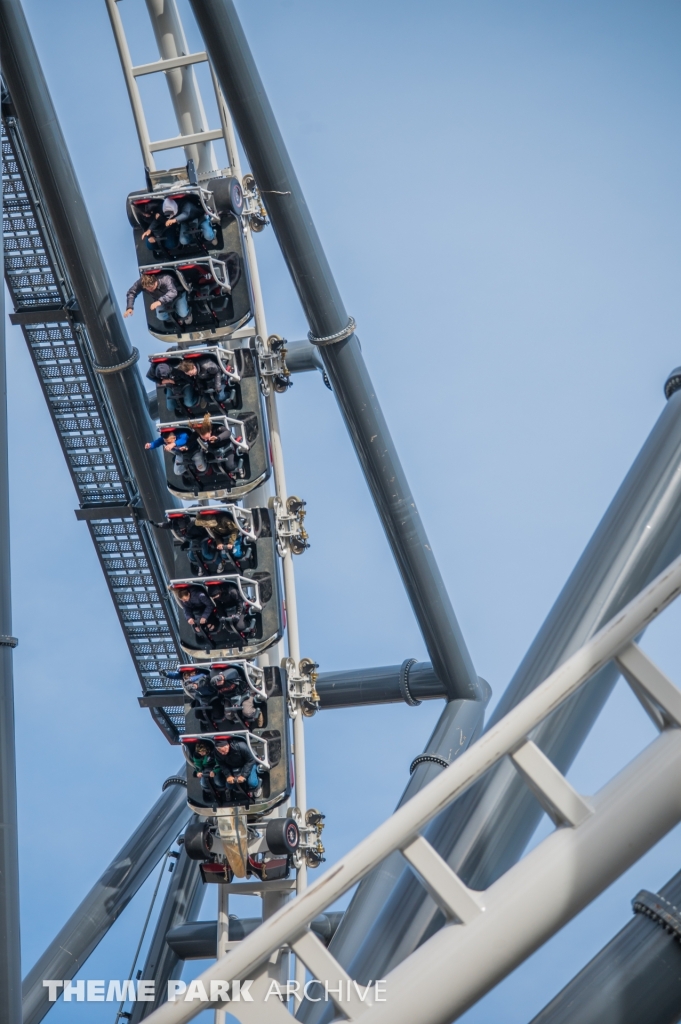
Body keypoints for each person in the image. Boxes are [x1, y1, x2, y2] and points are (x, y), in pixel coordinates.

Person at [124, 272, 192, 326]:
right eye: (147, 289)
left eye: (151, 287)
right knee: (161, 316)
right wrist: (130, 307)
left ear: (155, 281)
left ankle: (186, 314)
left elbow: (173, 292)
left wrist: (159, 302)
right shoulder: (141, 283)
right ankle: (175, 318)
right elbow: (131, 292)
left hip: (178, 295)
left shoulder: (165, 279)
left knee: (183, 313)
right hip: (160, 299)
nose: (150, 290)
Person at [195, 414, 244, 481]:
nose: (206, 440)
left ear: (210, 431)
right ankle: (227, 475)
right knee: (217, 469)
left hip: (226, 448)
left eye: (207, 438)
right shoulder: (201, 435)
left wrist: (218, 438)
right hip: (216, 451)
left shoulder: (217, 428)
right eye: (204, 439)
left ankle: (237, 468)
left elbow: (228, 432)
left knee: (230, 466)